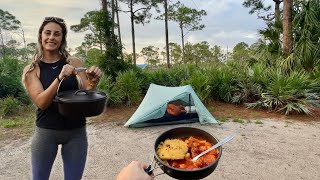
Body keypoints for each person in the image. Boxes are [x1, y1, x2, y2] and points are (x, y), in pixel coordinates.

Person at [22, 16, 102, 180]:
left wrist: (93, 82)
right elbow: (42, 102)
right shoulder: (32, 69)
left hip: (76, 132)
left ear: (62, 38)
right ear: (40, 36)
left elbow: (86, 93)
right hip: (46, 132)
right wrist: (59, 77)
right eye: (48, 33)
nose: (51, 37)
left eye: (57, 34)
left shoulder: (74, 62)